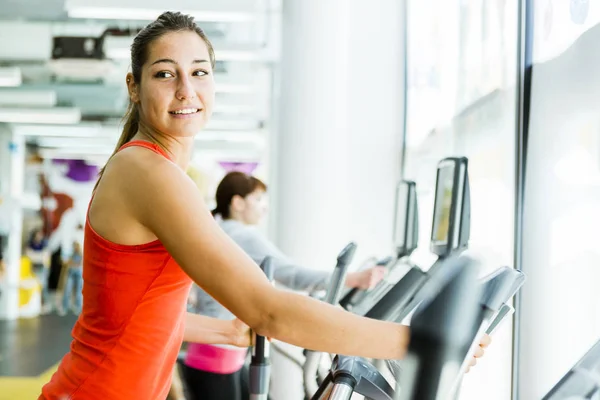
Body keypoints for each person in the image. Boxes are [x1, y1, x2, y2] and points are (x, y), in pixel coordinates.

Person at [39, 11, 489, 400]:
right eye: (164, 73)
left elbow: (133, 315)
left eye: (199, 72)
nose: (185, 89)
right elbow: (267, 309)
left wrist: (226, 331)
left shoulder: (149, 169)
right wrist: (419, 342)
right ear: (134, 87)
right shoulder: (149, 172)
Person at [183, 171, 387, 400]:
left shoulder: (220, 230)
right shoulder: (241, 234)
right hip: (218, 358)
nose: (264, 207)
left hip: (211, 355)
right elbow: (293, 275)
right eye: (258, 199)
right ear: (237, 202)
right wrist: (354, 278)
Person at [26, 228, 52, 313]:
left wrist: (37, 256)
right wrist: (39, 257)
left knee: (43, 286)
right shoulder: (31, 244)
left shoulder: (44, 244)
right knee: (35, 285)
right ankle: (37, 304)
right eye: (37, 235)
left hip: (42, 267)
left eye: (40, 235)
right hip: (34, 268)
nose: (39, 236)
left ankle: (45, 304)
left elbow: (45, 256)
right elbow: (30, 256)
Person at [58, 239, 84, 316]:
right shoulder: (71, 253)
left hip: (78, 274)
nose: (75, 247)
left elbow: (79, 263)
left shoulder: (81, 254)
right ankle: (64, 307)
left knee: (78, 291)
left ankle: (78, 307)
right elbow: (67, 261)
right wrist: (71, 262)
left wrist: (72, 263)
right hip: (71, 273)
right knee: (67, 289)